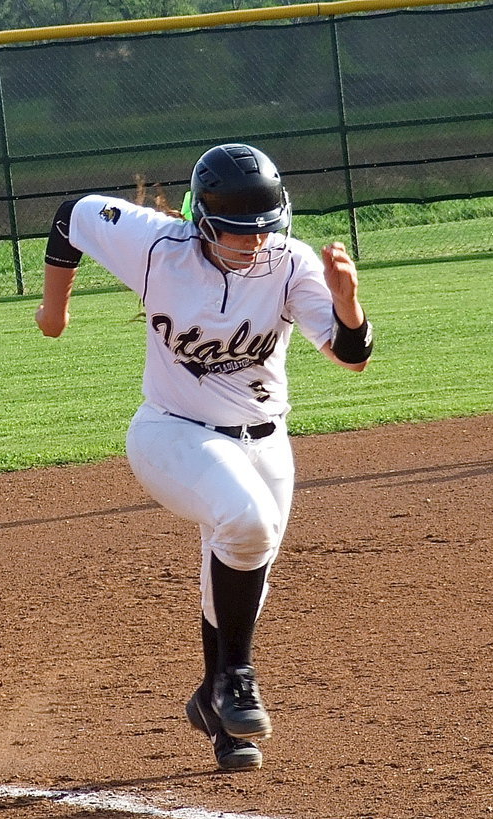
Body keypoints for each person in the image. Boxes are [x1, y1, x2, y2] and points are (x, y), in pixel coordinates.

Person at [35, 143, 373, 771]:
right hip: (172, 431)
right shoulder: (158, 247)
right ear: (203, 223)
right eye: (236, 233)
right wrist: (55, 310)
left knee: (244, 569)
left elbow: (350, 356)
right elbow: (69, 216)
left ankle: (217, 712)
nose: (253, 245)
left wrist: (348, 302)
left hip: (268, 440)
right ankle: (237, 678)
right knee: (247, 525)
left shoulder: (291, 263)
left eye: (264, 230)